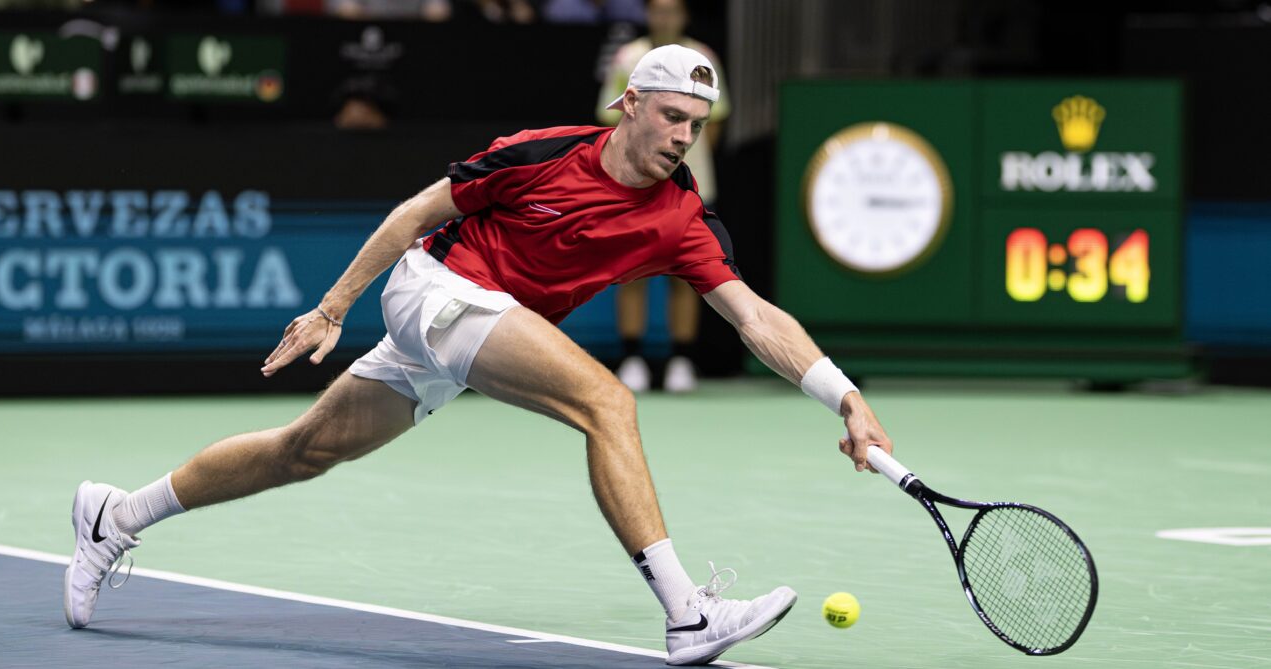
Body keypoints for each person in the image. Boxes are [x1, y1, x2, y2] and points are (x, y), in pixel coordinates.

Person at [63, 45, 893, 666]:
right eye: (673, 116)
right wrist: (332, 306)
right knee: (608, 402)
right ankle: (687, 615)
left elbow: (754, 317)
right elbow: (411, 212)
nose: (683, 136)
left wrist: (842, 395)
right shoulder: (541, 151)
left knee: (303, 450)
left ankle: (114, 515)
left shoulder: (683, 216)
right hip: (436, 289)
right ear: (630, 104)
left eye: (698, 126)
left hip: (473, 325)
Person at [597, 0, 729, 393]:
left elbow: (715, 120)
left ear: (684, 15)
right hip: (635, 181)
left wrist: (684, 160)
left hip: (692, 182)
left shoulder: (704, 59)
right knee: (631, 270)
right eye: (657, 9)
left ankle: (682, 360)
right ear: (648, 14)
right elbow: (611, 119)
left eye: (672, 10)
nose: (664, 17)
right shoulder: (627, 57)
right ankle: (633, 357)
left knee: (689, 273)